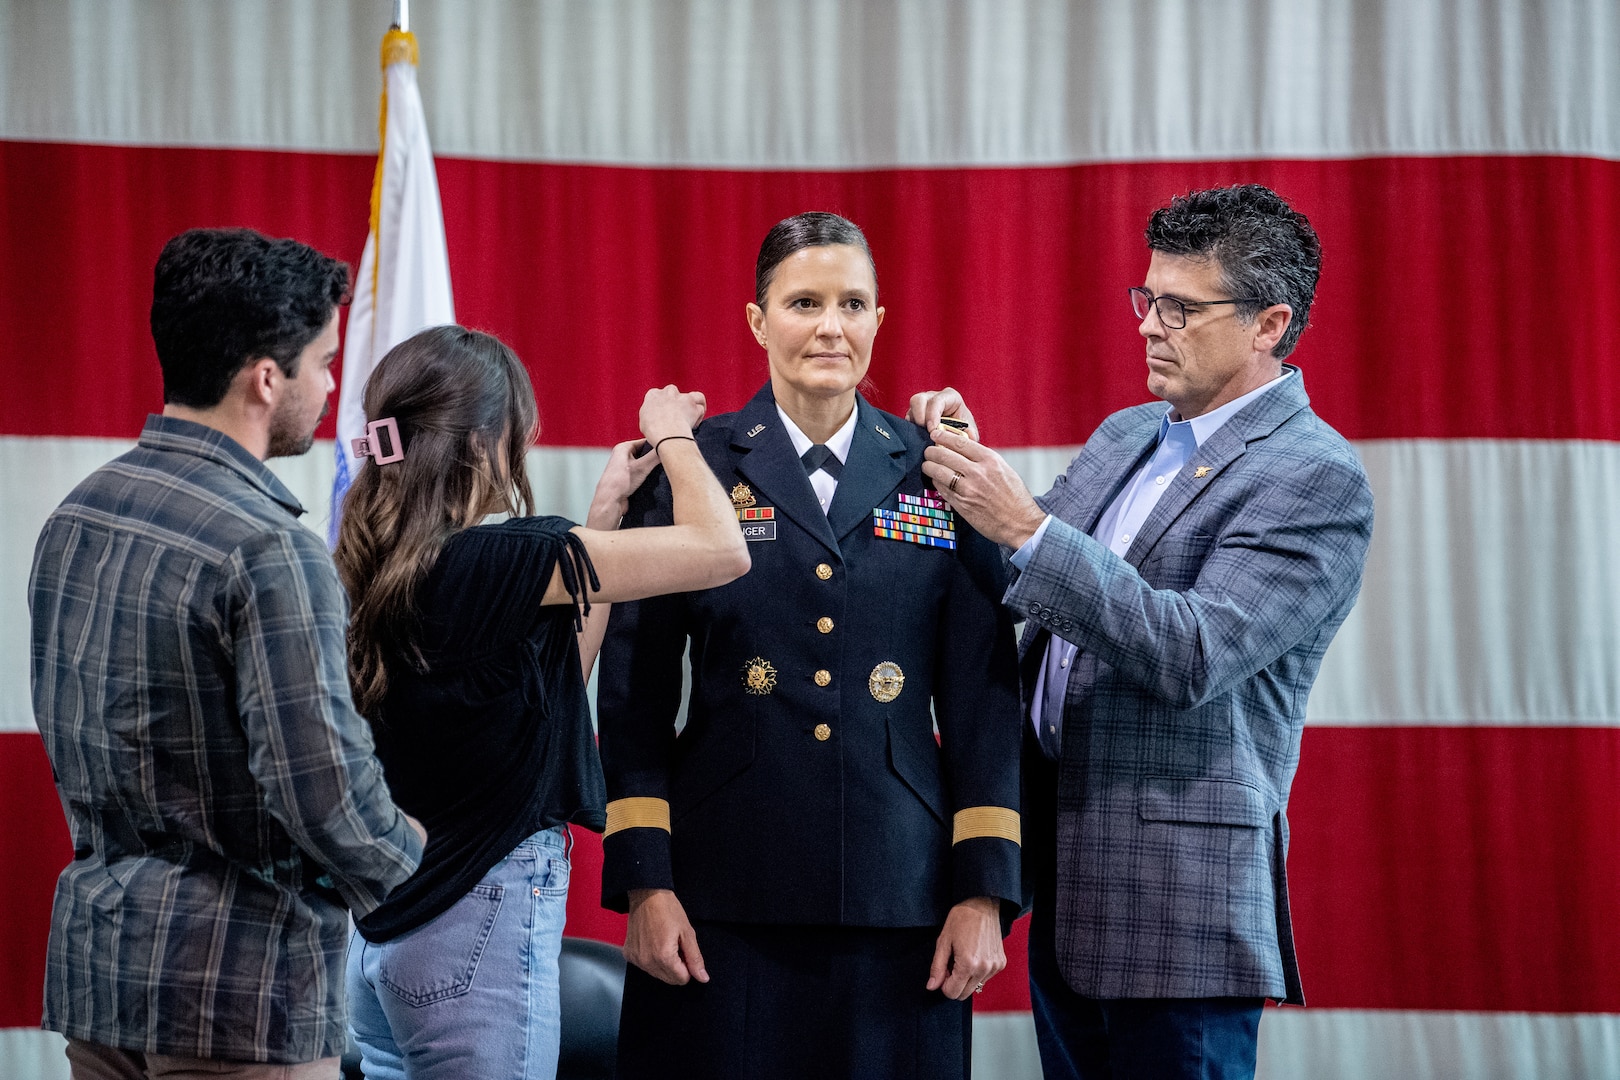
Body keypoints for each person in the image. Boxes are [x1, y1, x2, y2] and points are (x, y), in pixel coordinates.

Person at [911, 184, 1376, 1080]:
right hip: (1067, 879)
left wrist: (1026, 527)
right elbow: (1029, 580)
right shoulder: (1130, 432)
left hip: (1180, 908)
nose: (1149, 326)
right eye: (1146, 299)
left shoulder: (1315, 477)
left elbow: (1193, 651)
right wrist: (966, 468)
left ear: (1268, 324)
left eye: (1181, 307)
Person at [597, 211, 1024, 1080]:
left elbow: (983, 699)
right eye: (804, 302)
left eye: (853, 303)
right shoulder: (693, 467)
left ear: (878, 319)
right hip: (718, 894)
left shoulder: (941, 469)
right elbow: (633, 692)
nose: (831, 325)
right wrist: (646, 881)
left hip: (901, 893)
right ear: (759, 322)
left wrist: (984, 891)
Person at [29, 227, 426, 1079]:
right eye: (324, 361)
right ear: (266, 377)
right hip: (237, 998)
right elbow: (321, 790)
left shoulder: (76, 515)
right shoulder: (267, 549)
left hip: (100, 982)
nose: (331, 387)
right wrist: (412, 859)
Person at [332, 325, 748, 1080]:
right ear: (484, 438)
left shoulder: (386, 562)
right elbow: (724, 549)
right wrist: (677, 437)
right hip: (472, 926)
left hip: (384, 944)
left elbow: (550, 688)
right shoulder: (501, 557)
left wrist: (606, 510)